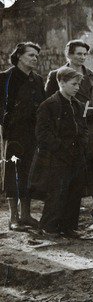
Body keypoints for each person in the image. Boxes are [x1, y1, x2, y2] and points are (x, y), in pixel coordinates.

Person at [45, 40, 93, 222]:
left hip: (90, 127)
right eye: (78, 53)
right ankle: (67, 211)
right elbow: (50, 101)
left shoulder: (92, 77)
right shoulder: (57, 75)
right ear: (69, 54)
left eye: (84, 54)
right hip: (68, 127)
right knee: (72, 167)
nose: (81, 57)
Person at [30, 67, 88, 236]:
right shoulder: (48, 105)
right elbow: (42, 133)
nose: (77, 88)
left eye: (78, 84)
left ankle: (69, 227)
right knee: (57, 191)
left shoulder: (77, 105)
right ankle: (49, 227)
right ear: (61, 83)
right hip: (56, 157)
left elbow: (83, 129)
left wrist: (82, 144)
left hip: (76, 155)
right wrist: (60, 147)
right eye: (73, 84)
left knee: (74, 191)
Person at [0, 42, 46, 230]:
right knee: (13, 172)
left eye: (36, 55)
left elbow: (42, 106)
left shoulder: (38, 80)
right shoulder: (5, 78)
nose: (35, 59)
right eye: (30, 55)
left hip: (32, 133)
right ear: (19, 56)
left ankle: (26, 215)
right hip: (14, 135)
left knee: (28, 172)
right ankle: (13, 218)